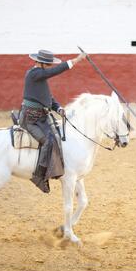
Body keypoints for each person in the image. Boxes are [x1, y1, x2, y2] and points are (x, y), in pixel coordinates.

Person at [19, 49, 86, 193]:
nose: (50, 67)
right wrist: (76, 60)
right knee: (48, 141)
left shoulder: (40, 77)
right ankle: (39, 176)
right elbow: (52, 72)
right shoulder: (34, 74)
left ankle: (55, 168)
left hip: (41, 117)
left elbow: (47, 97)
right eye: (48, 64)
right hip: (29, 120)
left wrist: (59, 109)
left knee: (57, 135)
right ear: (42, 64)